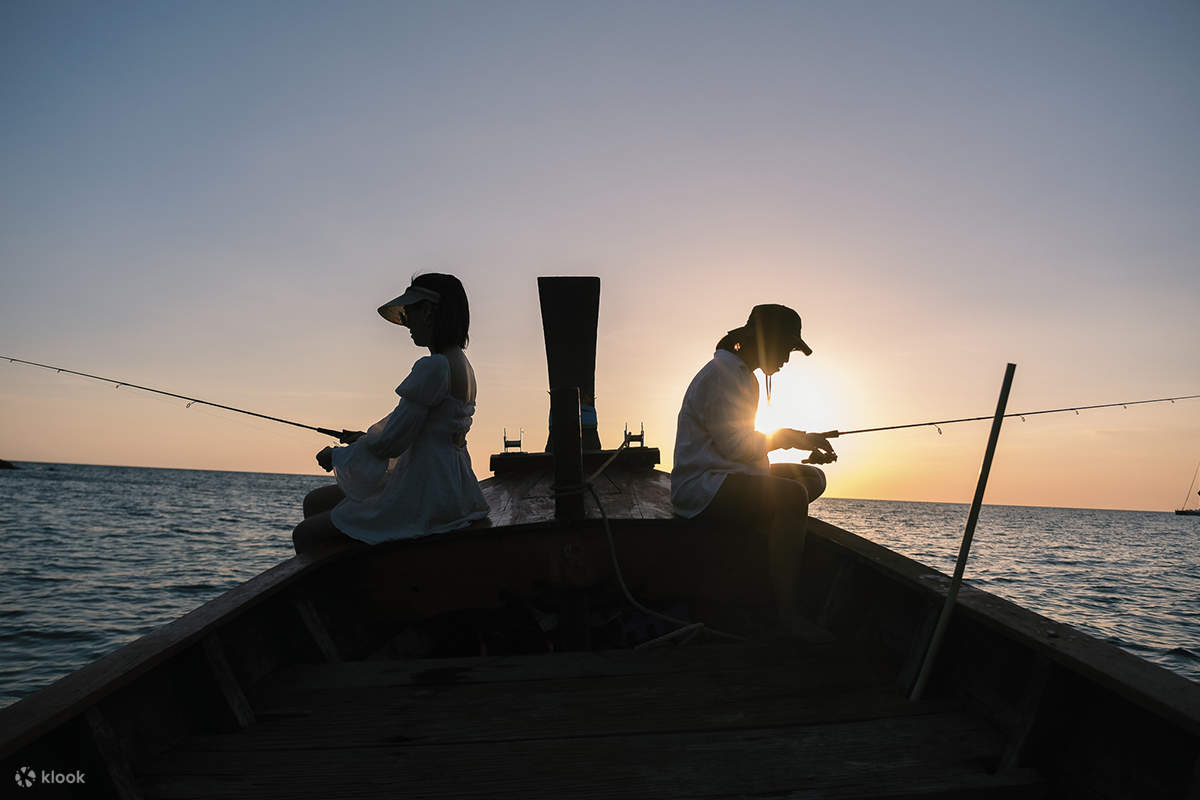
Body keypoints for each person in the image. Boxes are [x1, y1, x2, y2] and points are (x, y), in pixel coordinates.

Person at [292, 273, 489, 554]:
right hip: (454, 489)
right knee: (315, 502)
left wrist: (335, 455)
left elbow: (390, 443)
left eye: (410, 311)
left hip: (424, 493)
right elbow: (419, 432)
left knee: (306, 533)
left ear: (430, 312)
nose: (406, 321)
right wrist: (362, 439)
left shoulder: (433, 367)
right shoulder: (462, 364)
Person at [671, 304, 836, 631]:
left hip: (730, 474)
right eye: (787, 348)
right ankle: (786, 612)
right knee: (791, 497)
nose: (787, 360)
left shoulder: (742, 375)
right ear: (766, 339)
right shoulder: (723, 374)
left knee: (811, 478)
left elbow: (740, 447)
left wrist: (803, 439)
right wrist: (790, 438)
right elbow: (737, 445)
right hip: (703, 486)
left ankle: (769, 535)